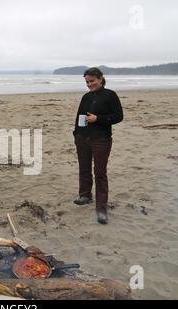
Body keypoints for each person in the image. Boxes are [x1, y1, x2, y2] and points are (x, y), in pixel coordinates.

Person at [73, 67, 123, 224]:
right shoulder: (86, 97)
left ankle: (101, 208)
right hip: (83, 138)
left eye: (92, 81)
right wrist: (76, 134)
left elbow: (118, 117)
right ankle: (85, 195)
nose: (89, 84)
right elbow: (80, 116)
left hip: (101, 139)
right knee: (84, 169)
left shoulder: (110, 95)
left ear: (101, 79)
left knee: (100, 173)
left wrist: (98, 119)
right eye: (87, 82)